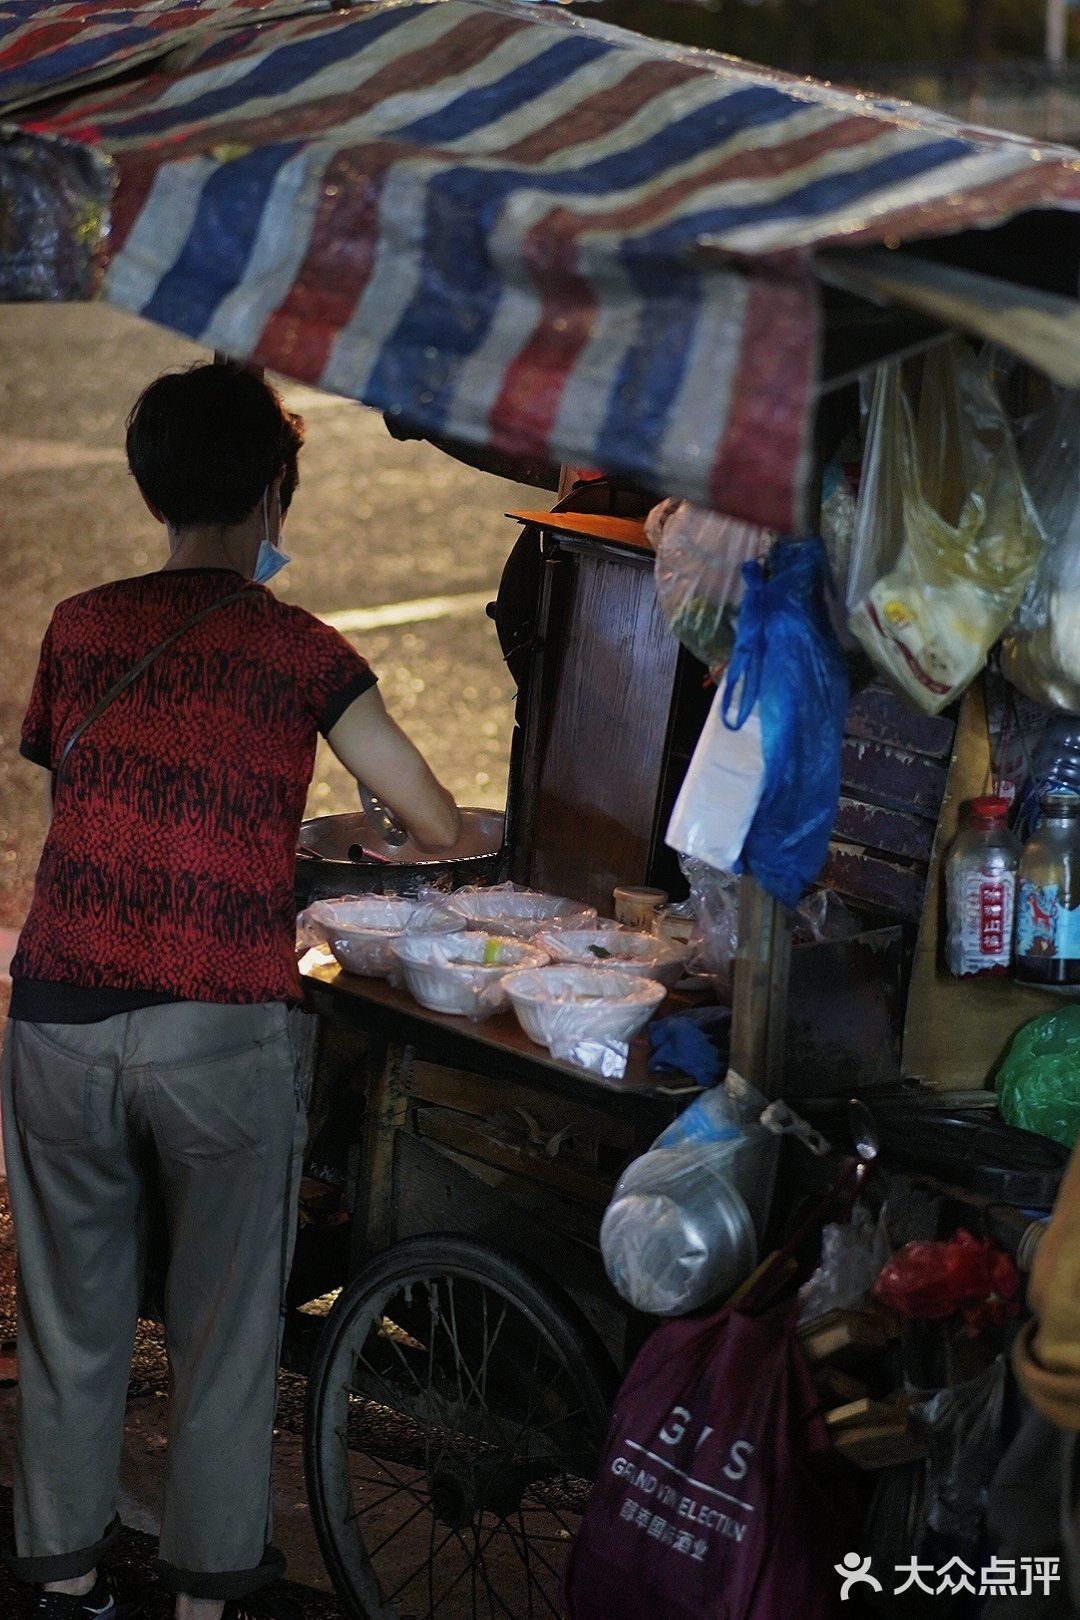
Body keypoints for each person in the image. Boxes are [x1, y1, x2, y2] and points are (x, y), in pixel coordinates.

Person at [0, 363, 460, 1620]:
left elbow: (92, 797)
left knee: (71, 1321)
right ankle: (208, 1596)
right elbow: (426, 815)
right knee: (221, 1330)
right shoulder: (301, 648)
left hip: (59, 1018)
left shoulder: (80, 625)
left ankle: (66, 1578)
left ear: (153, 487)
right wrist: (369, 831)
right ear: (277, 489)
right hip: (220, 1027)